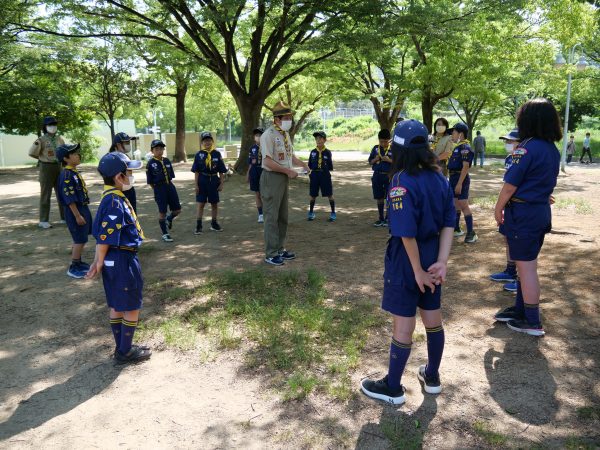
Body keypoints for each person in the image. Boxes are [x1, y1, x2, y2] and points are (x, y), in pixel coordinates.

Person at [360, 119, 455, 405]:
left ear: (399, 150)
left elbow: (406, 233)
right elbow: (449, 223)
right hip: (433, 255)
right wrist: (441, 262)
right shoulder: (439, 177)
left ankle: (393, 387)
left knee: (403, 324)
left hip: (407, 259)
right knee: (433, 318)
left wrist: (417, 271)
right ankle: (432, 375)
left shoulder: (401, 181)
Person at [493, 98, 561, 336]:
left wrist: (498, 207)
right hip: (539, 211)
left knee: (527, 268)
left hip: (523, 214)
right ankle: (521, 310)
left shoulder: (527, 148)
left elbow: (510, 185)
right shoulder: (551, 148)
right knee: (525, 266)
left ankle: (532, 320)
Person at [85, 152, 152, 364]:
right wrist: (98, 261)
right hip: (123, 260)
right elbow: (105, 237)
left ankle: (122, 347)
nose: (131, 176)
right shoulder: (115, 202)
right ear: (118, 177)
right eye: (129, 172)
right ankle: (125, 351)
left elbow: (101, 236)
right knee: (131, 306)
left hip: (114, 259)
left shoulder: (110, 198)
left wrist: (99, 260)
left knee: (117, 304)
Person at [260, 101, 310, 266]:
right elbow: (267, 161)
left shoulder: (285, 134)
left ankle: (280, 248)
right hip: (271, 178)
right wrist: (288, 171)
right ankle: (271, 253)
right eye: (286, 118)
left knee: (283, 216)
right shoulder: (268, 135)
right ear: (277, 119)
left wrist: (302, 164)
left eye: (290, 117)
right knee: (271, 217)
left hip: (282, 178)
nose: (290, 120)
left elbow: (291, 156)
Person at [489, 129, 520, 294]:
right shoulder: (509, 159)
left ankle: (520, 278)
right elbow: (507, 184)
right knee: (508, 238)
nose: (508, 144)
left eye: (511, 141)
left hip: (521, 205)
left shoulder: (525, 159)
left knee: (518, 242)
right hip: (509, 205)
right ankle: (510, 270)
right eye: (506, 141)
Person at [55, 143, 93, 279]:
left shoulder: (73, 172)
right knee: (79, 239)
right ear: (66, 158)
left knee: (82, 237)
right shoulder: (66, 175)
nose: (78, 155)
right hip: (74, 211)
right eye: (74, 154)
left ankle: (78, 262)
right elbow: (69, 198)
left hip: (82, 208)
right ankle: (74, 266)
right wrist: (77, 215)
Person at [28, 116, 66, 228]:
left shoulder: (60, 139)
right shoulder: (41, 140)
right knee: (46, 194)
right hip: (46, 168)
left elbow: (64, 152)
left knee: (61, 193)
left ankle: (64, 217)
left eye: (54, 124)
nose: (53, 127)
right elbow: (32, 152)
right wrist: (42, 158)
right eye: (50, 125)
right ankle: (43, 220)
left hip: (58, 167)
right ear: (45, 127)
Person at [447, 122, 478, 243]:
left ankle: (471, 233)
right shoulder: (457, 147)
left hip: (461, 178)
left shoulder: (465, 147)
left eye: (454, 132)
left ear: (460, 134)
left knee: (463, 204)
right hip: (453, 177)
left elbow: (465, 166)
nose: (452, 135)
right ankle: (456, 228)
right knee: (455, 203)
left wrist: (460, 183)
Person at [191, 132, 227, 234]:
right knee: (201, 203)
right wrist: (196, 185)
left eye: (209, 140)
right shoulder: (198, 155)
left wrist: (221, 183)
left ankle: (214, 223)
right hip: (202, 180)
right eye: (205, 140)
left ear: (212, 141)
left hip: (214, 180)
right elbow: (196, 171)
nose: (207, 142)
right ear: (202, 143)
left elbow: (221, 171)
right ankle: (198, 225)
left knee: (214, 203)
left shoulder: (217, 154)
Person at [146, 139, 181, 242]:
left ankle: (169, 219)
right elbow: (150, 181)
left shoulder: (166, 161)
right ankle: (165, 234)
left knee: (177, 210)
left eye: (161, 149)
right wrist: (157, 190)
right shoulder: (150, 164)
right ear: (152, 151)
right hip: (159, 188)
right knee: (162, 212)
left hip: (170, 186)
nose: (159, 151)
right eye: (156, 149)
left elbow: (171, 175)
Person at [307, 131, 336, 222]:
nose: (318, 140)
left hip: (324, 175)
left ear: (324, 140)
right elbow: (309, 165)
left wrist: (324, 170)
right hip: (314, 175)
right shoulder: (313, 152)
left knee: (329, 194)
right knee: (313, 195)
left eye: (320, 138)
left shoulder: (327, 152)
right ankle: (311, 212)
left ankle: (333, 213)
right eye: (316, 139)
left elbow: (330, 166)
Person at [368, 129, 393, 227]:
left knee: (389, 197)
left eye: (385, 141)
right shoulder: (375, 148)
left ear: (389, 140)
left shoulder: (393, 149)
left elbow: (399, 163)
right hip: (377, 175)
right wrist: (375, 159)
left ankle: (388, 218)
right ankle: (381, 218)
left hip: (389, 176)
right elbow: (370, 162)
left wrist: (389, 160)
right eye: (381, 141)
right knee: (379, 197)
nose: (383, 144)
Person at [109, 132, 139, 212]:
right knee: (122, 215)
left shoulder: (126, 156)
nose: (129, 145)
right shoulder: (111, 159)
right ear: (118, 145)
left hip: (129, 189)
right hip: (119, 191)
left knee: (132, 214)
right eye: (126, 143)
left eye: (129, 142)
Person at [247, 128, 264, 223]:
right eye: (256, 135)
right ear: (254, 137)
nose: (258, 137)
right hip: (254, 171)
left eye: (260, 135)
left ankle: (268, 212)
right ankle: (261, 214)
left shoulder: (268, 147)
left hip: (264, 171)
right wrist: (248, 173)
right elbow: (250, 162)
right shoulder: (252, 148)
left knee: (265, 193)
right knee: (257, 193)